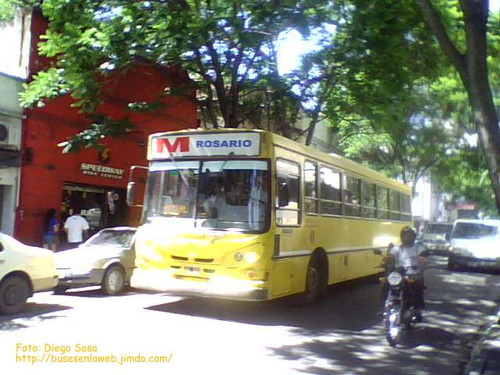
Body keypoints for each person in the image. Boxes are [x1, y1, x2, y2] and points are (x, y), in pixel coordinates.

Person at [380, 226, 426, 322]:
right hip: (399, 274)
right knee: (386, 283)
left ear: (413, 237)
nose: (407, 238)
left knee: (418, 287)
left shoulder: (418, 247)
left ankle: (417, 309)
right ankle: (384, 306)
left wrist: (421, 264)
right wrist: (386, 261)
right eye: (405, 236)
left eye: (409, 236)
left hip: (413, 273)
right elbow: (391, 256)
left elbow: (422, 258)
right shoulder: (397, 248)